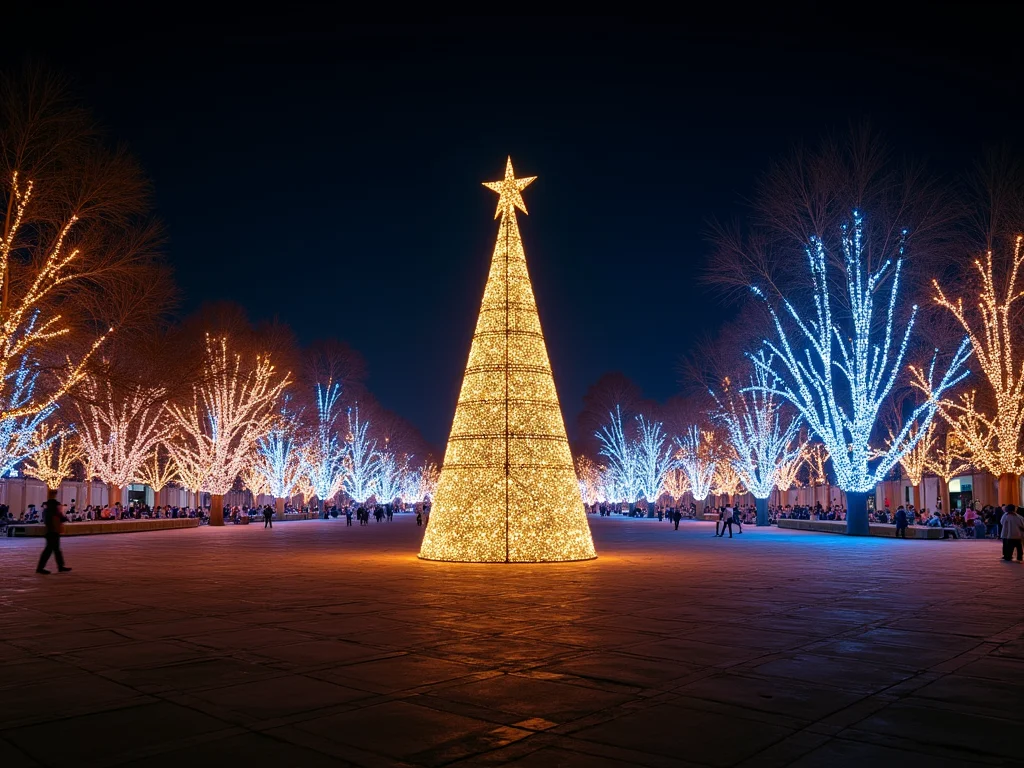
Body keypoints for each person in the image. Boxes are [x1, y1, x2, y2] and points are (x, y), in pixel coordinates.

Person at [36, 499, 71, 575]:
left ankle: (60, 566)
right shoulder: (51, 512)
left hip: (53, 532)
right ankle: (40, 568)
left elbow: (62, 519)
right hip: (51, 533)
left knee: (56, 550)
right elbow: (61, 519)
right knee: (49, 551)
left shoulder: (50, 511)